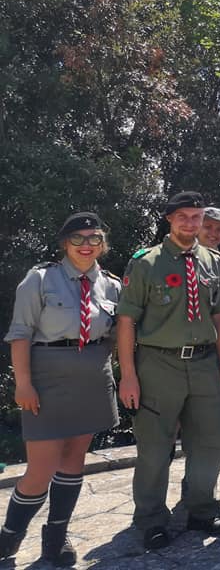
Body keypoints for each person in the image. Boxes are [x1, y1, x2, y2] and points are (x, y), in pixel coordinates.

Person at [0, 213, 121, 565]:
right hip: (47, 378)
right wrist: (23, 383)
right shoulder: (39, 280)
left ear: (102, 244)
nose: (86, 245)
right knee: (40, 469)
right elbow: (20, 335)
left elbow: (114, 336)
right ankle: (9, 536)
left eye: (94, 238)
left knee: (73, 461)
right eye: (78, 239)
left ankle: (56, 536)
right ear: (64, 244)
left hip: (92, 380)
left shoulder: (111, 285)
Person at [116, 191, 220, 550]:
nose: (190, 223)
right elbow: (126, 321)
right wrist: (129, 374)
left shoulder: (212, 262)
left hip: (204, 362)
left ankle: (201, 508)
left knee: (211, 439)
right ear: (169, 219)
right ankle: (151, 519)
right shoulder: (146, 263)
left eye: (196, 217)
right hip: (157, 363)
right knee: (155, 446)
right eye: (183, 216)